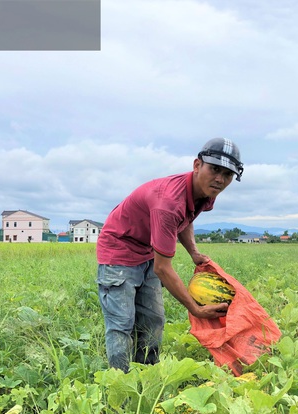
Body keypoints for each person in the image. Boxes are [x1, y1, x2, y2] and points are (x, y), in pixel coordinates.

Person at [96, 138, 244, 372]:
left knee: (153, 320)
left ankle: (147, 374)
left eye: (227, 174)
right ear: (197, 165)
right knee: (122, 323)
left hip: (147, 249)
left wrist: (193, 252)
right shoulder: (167, 202)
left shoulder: (206, 192)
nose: (220, 179)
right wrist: (195, 309)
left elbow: (185, 218)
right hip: (119, 250)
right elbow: (162, 268)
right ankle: (120, 384)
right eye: (214, 169)